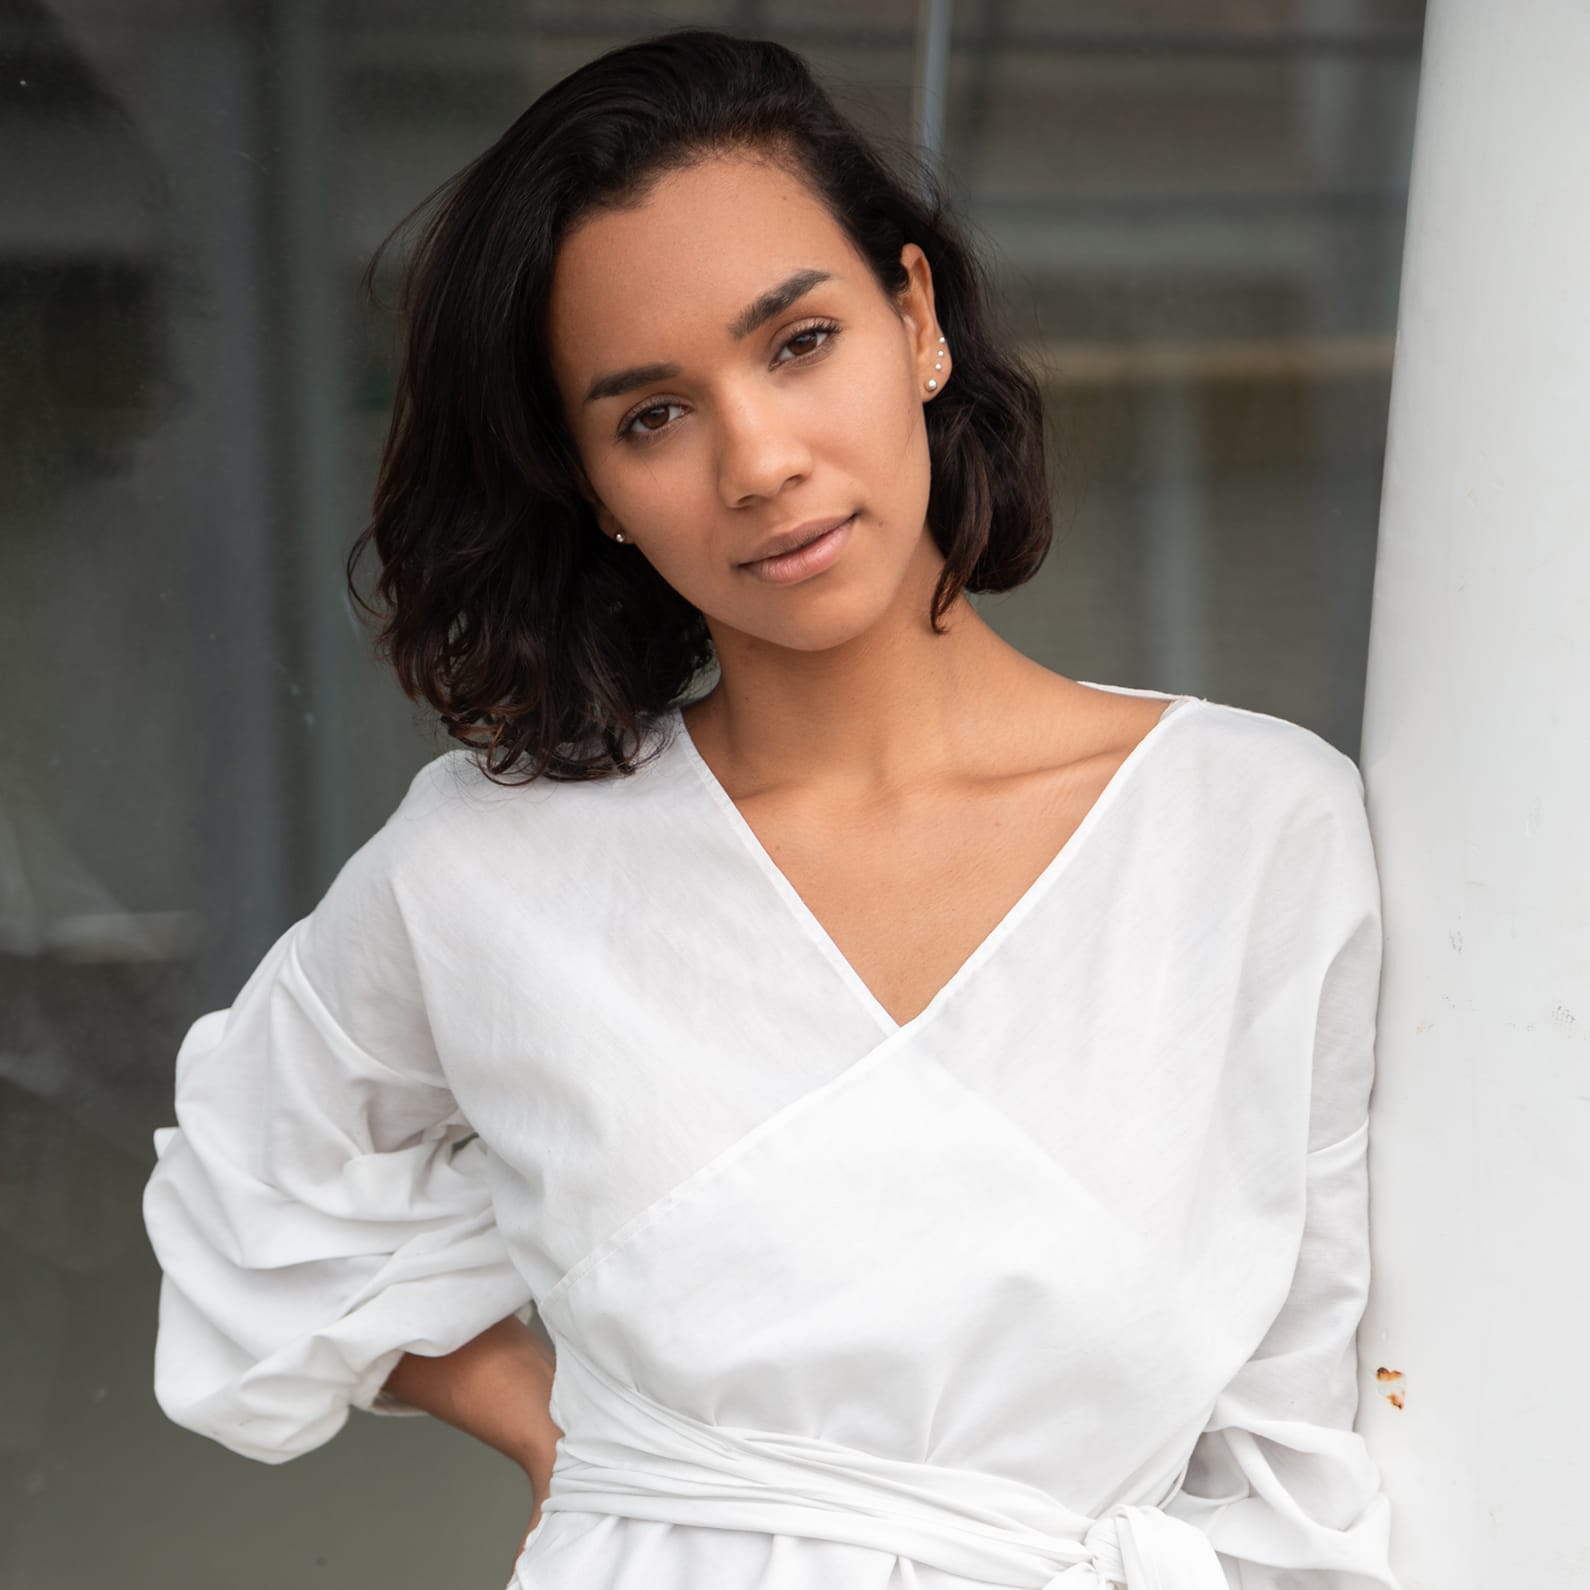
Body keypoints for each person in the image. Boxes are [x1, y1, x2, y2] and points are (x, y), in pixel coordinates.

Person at [141, 27, 1403, 1590]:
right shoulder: (492, 867)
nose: (757, 461)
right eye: (650, 414)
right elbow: (247, 1190)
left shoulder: (1251, 828)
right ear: (592, 481)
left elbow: (1305, 1450)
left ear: (915, 318)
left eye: (796, 343)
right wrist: (557, 1433)